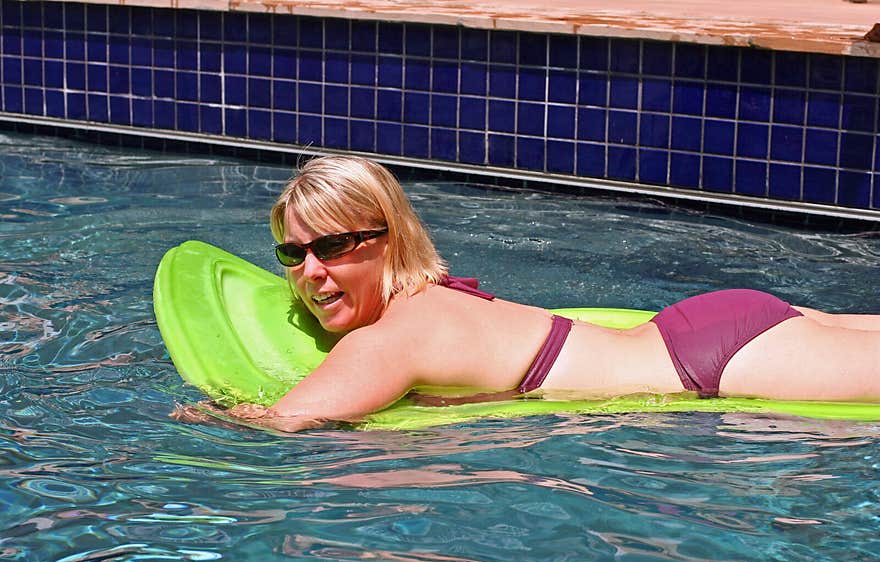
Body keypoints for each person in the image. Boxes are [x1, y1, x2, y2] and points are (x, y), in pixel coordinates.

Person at [175, 155, 880, 433]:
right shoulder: (431, 295)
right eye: (292, 254)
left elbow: (277, 423)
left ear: (385, 238)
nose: (311, 273)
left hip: (713, 366)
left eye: (333, 246)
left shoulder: (386, 341)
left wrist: (192, 413)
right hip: (703, 327)